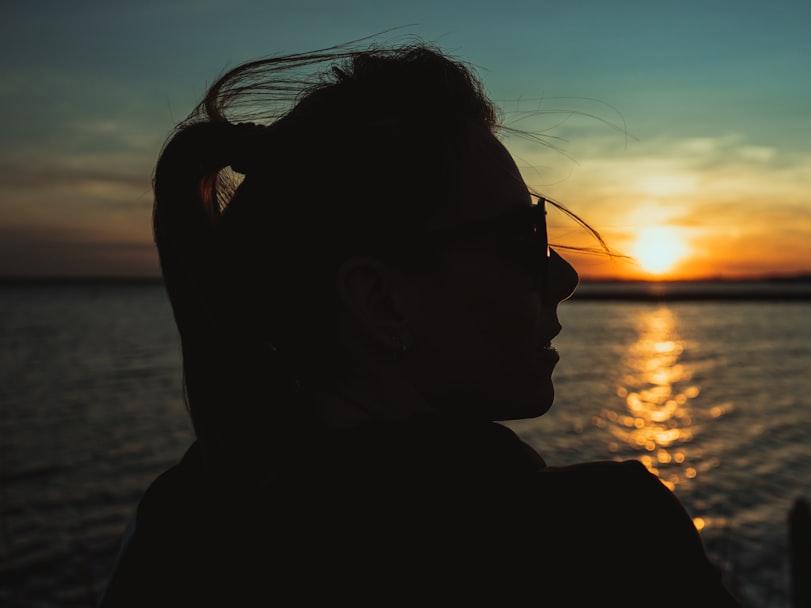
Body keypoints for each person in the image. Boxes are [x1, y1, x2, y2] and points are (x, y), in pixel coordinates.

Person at [99, 41, 740, 606]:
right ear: (381, 301)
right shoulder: (608, 540)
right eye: (524, 238)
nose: (563, 278)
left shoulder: (178, 521)